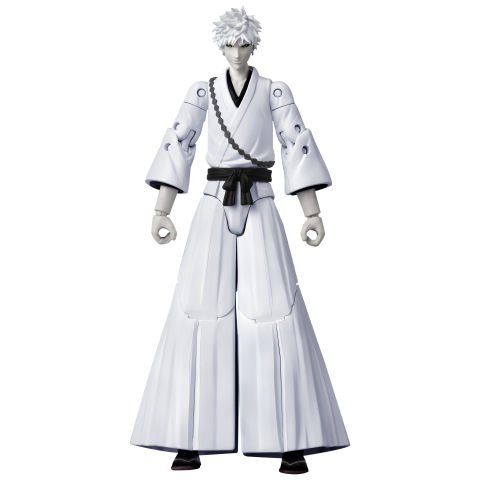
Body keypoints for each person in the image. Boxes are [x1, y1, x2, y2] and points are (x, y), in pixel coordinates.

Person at [130, 7, 350, 475]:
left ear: (254, 46)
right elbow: (180, 142)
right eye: (229, 44)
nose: (236, 52)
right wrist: (162, 209)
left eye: (243, 44)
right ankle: (188, 437)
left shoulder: (274, 91)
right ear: (220, 46)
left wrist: (311, 211)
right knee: (198, 307)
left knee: (276, 308)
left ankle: (289, 439)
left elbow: (295, 144)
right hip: (214, 200)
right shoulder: (203, 91)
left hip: (261, 199)